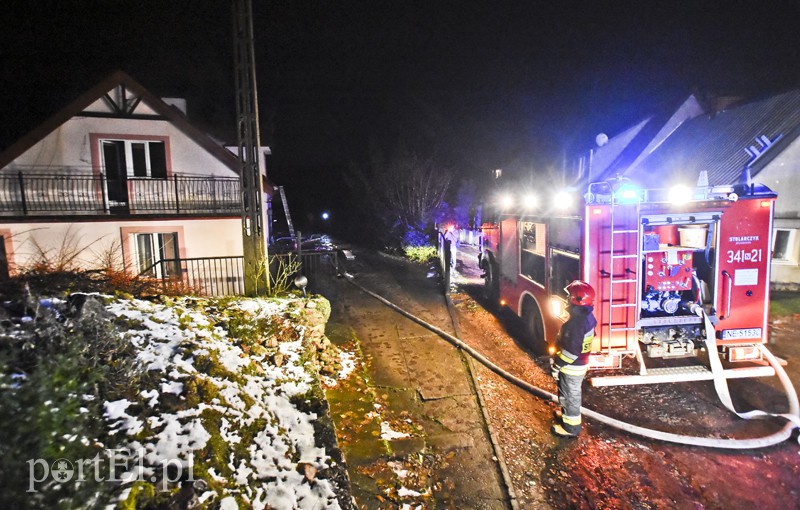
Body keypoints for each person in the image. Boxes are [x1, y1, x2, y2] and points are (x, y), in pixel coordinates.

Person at [551, 280, 597, 437]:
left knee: (570, 396)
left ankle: (571, 428)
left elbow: (571, 351)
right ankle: (566, 417)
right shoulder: (587, 317)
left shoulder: (577, 323)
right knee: (568, 393)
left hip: (571, 366)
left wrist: (557, 366)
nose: (567, 298)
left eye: (569, 296)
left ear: (576, 300)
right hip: (578, 365)